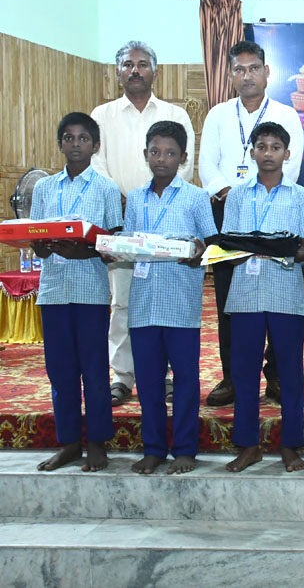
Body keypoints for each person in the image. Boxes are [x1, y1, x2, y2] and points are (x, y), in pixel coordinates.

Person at [198, 40, 304, 407]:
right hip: (229, 212)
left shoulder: (287, 115)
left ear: (266, 72)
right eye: (239, 70)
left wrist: (260, 194)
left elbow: (292, 164)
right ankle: (232, 376)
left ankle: (275, 375)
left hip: (279, 210)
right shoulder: (217, 115)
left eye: (254, 68)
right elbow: (206, 165)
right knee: (230, 299)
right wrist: (234, 194)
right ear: (230, 75)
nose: (247, 76)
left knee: (277, 295)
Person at [90, 40, 196, 407]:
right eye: (128, 64)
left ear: (155, 71)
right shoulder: (102, 115)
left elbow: (185, 163)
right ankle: (122, 376)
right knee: (122, 301)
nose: (135, 70)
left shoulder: (174, 114)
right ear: (117, 71)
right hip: (121, 219)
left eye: (142, 64)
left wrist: (155, 199)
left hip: (167, 219)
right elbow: (96, 164)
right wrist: (122, 199)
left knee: (162, 300)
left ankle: (162, 374)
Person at [30, 113, 123, 472]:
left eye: (83, 138)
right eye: (68, 138)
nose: (75, 144)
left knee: (94, 370)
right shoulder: (44, 188)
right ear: (60, 144)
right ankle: (69, 443)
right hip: (53, 291)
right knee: (60, 371)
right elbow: (36, 240)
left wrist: (82, 251)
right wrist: (42, 246)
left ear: (95, 145)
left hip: (90, 293)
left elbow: (113, 246)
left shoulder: (106, 189)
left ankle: (98, 442)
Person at [221, 122, 304, 473]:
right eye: (262, 146)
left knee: (289, 371)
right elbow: (230, 246)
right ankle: (248, 446)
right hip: (245, 294)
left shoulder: (301, 196)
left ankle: (290, 445)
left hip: (285, 293)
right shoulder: (237, 196)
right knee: (244, 372)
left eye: (276, 147)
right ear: (252, 152)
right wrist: (256, 246)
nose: (269, 153)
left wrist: (275, 249)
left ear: (287, 154)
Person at [124, 121, 216, 475]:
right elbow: (129, 243)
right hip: (144, 304)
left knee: (186, 381)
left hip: (181, 305)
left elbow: (211, 246)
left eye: (170, 153)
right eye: (155, 152)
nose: (161, 159)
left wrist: (199, 252)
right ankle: (153, 448)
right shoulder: (136, 198)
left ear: (183, 158)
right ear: (145, 154)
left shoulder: (195, 197)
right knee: (148, 382)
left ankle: (185, 449)